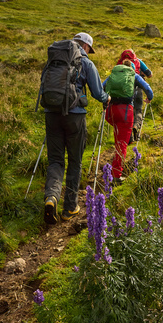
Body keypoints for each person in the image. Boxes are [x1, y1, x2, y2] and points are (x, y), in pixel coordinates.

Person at [43, 32, 110, 225]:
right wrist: (107, 99)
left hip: (51, 113)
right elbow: (98, 92)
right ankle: (70, 207)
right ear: (86, 46)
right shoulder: (85, 62)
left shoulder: (53, 61)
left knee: (55, 161)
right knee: (74, 160)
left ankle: (51, 197)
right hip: (75, 116)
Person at [103, 60, 153, 183]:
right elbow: (148, 88)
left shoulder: (114, 75)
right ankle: (116, 175)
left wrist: (105, 100)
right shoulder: (133, 75)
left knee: (118, 140)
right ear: (131, 68)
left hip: (111, 111)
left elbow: (102, 87)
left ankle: (114, 170)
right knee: (122, 145)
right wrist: (149, 98)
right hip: (126, 111)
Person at [116, 49, 152, 141]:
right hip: (137, 88)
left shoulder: (120, 62)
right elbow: (149, 74)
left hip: (123, 91)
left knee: (127, 112)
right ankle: (136, 125)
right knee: (138, 109)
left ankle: (130, 137)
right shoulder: (138, 61)